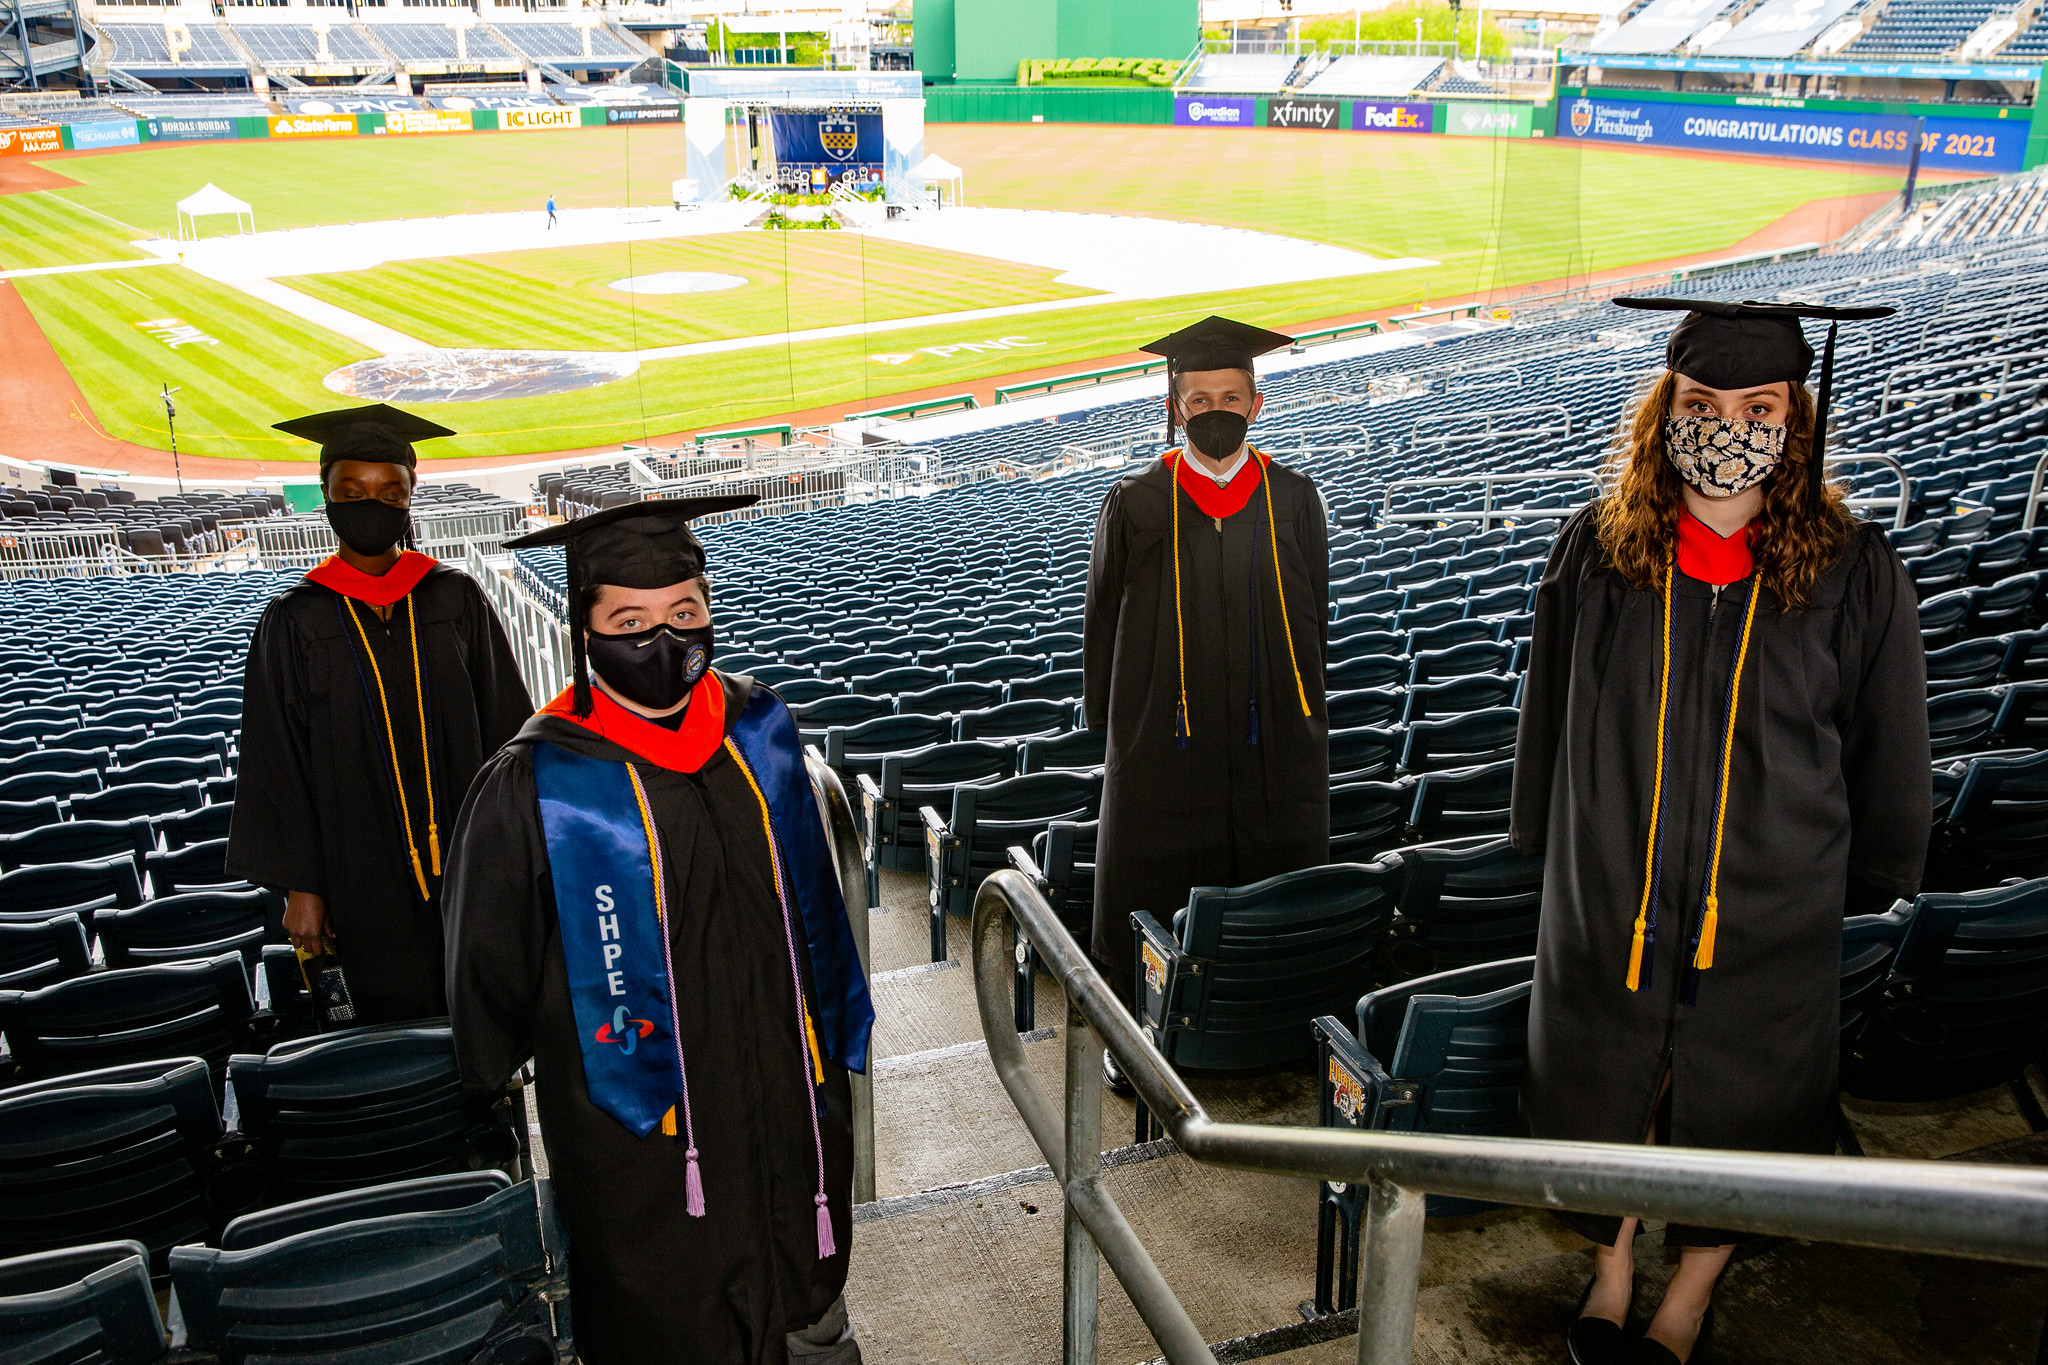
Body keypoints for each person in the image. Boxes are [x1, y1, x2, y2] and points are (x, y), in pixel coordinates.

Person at [1510, 298, 1930, 1365]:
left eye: (1757, 404)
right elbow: (1545, 714)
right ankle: (1607, 1266)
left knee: (1746, 1088)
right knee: (1601, 1077)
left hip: (1771, 887)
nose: (1727, 424)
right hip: (1615, 877)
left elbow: (1887, 740)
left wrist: (1868, 875)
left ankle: (1690, 1289)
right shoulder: (1599, 551)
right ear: (1663, 413)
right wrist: (1550, 851)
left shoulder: (1850, 565)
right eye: (1701, 403)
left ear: (1794, 419)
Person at [443, 497, 874, 1365]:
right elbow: (484, 971)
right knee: (668, 1317)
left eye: (685, 613)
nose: (665, 641)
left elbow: (818, 918)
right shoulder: (540, 782)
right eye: (630, 621)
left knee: (801, 1288)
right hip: (646, 1139)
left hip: (785, 1104)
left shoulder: (760, 733)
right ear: (587, 630)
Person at [1083, 314, 1331, 1091]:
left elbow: (1315, 616)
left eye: (1230, 395)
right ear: (1175, 408)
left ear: (1257, 404)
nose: (1214, 409)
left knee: (1273, 879)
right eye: (1199, 398)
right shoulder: (1136, 502)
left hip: (1274, 738)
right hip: (1168, 739)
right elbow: (1101, 624)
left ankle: (1272, 1026)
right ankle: (1137, 1037)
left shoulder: (1292, 497)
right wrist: (1116, 728)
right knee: (1151, 884)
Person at [228, 403, 532, 1025]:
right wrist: (302, 887)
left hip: (469, 860)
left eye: (391, 490)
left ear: (411, 497)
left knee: (481, 1005)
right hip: (354, 872)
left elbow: (506, 727)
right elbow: (275, 758)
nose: (373, 502)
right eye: (353, 490)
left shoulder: (455, 597)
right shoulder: (296, 619)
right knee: (389, 1017)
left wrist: (520, 851)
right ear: (328, 497)